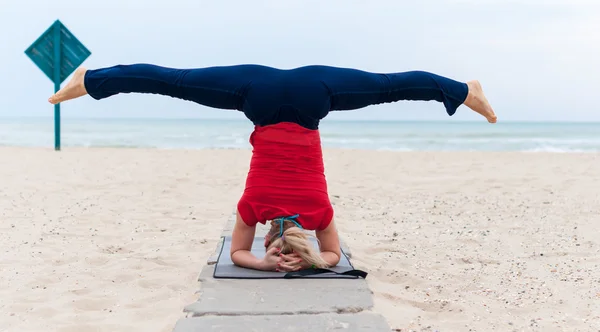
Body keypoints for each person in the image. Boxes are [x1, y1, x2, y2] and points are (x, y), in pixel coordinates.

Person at [49, 64, 496, 273]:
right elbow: (239, 253)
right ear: (271, 234)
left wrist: (313, 261)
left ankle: (463, 90)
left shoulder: (320, 214)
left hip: (311, 92)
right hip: (258, 94)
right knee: (175, 84)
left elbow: (333, 254)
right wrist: (265, 265)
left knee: (387, 88)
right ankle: (91, 81)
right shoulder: (253, 208)